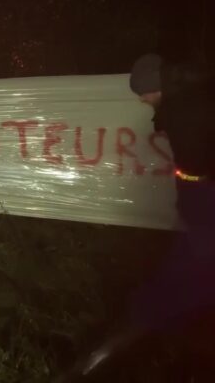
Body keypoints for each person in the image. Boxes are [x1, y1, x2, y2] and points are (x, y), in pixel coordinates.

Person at [58, 53, 215, 380]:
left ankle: (91, 363)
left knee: (172, 288)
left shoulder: (187, 111)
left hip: (205, 213)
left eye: (143, 93)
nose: (142, 100)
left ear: (156, 87)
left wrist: (191, 195)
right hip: (201, 211)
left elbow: (196, 166)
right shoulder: (192, 95)